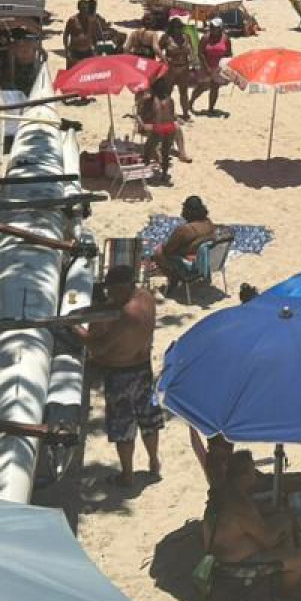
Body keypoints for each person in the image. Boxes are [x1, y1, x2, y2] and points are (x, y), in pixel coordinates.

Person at [77, 266, 162, 487]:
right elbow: (114, 307)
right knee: (149, 420)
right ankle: (154, 462)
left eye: (112, 291)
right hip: (144, 370)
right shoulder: (146, 298)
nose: (109, 295)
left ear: (123, 288)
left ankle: (127, 476)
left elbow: (98, 347)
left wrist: (76, 329)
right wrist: (93, 309)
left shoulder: (127, 314)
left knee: (123, 428)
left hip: (120, 374)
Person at [199, 448, 301, 596]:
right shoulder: (241, 505)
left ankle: (282, 568)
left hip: (216, 554)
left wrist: (279, 515)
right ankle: (288, 591)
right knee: (298, 557)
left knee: (283, 521)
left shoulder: (224, 492)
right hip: (234, 564)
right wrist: (287, 519)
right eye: (253, 471)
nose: (255, 475)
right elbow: (268, 540)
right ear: (244, 476)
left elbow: (242, 521)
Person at [156, 196, 217, 285]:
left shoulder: (185, 230)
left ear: (187, 211)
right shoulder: (209, 224)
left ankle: (174, 281)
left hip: (191, 265)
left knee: (158, 253)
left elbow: (168, 250)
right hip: (207, 261)